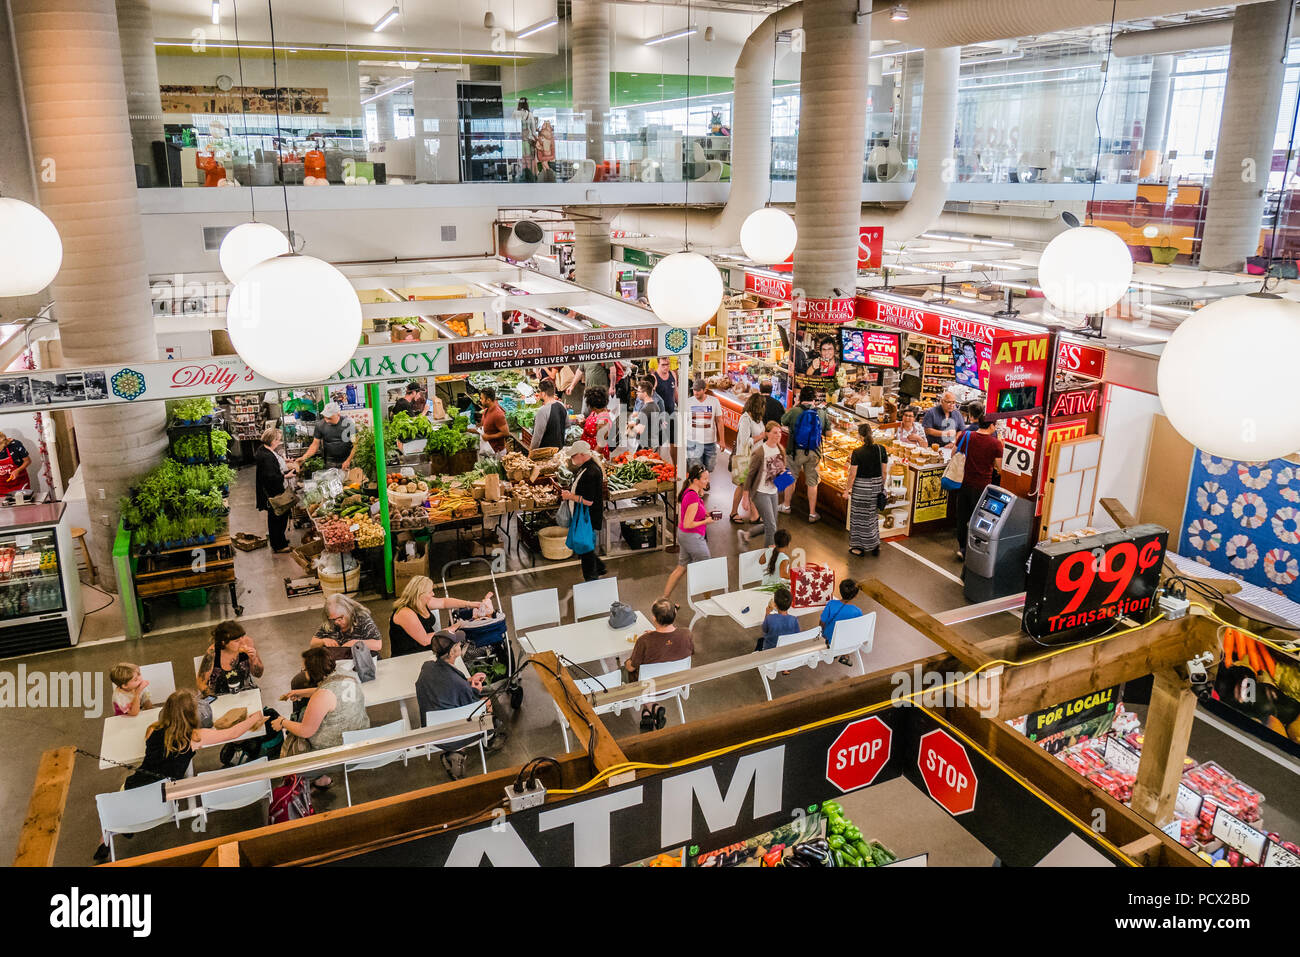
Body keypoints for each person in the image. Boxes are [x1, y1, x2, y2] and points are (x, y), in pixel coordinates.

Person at [94, 690, 267, 860]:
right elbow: (232, 733)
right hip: (166, 795)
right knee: (156, 789)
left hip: (136, 785)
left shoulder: (152, 730)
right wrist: (253, 718)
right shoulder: (194, 737)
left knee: (124, 794)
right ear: (192, 714)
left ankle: (105, 840)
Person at [272, 647, 369, 789]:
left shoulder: (323, 694)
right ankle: (321, 779)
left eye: (304, 670)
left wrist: (283, 722)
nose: (303, 672)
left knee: (290, 763)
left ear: (313, 671)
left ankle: (312, 778)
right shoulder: (348, 676)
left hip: (337, 753)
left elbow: (306, 731)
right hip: (359, 741)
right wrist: (303, 693)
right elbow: (333, 692)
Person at [415, 629, 491, 779]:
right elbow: (471, 706)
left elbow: (446, 684)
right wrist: (475, 690)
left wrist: (468, 681)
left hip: (431, 728)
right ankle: (485, 739)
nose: (461, 645)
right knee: (486, 702)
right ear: (452, 652)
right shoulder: (459, 685)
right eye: (458, 644)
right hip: (453, 733)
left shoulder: (427, 667)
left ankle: (455, 753)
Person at [626, 598, 695, 731]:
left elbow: (631, 667)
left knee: (628, 672)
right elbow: (685, 650)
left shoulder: (644, 641)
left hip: (648, 688)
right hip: (675, 683)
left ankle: (651, 708)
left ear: (654, 618)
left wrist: (626, 661)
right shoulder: (687, 634)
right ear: (675, 614)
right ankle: (650, 711)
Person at [390, 575, 495, 657]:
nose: (433, 594)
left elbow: (444, 602)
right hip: (412, 654)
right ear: (420, 594)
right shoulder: (405, 613)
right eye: (430, 591)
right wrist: (454, 627)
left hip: (430, 645)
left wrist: (472, 604)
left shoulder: (421, 602)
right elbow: (424, 640)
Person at [956, 404, 1005, 561]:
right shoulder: (995, 444)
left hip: (964, 483)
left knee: (962, 516)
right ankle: (974, 550)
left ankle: (962, 548)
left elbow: (954, 454)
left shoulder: (966, 435)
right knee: (979, 519)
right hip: (983, 487)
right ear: (992, 425)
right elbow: (1000, 468)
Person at [662, 464, 715, 599]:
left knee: (681, 567)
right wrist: (706, 522)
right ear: (696, 480)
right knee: (707, 569)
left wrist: (706, 514)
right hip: (693, 537)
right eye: (704, 479)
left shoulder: (690, 492)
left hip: (685, 536)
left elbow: (690, 515)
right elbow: (688, 523)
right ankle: (708, 601)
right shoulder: (692, 497)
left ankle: (664, 598)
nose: (707, 481)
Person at [780, 386, 829, 522]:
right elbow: (829, 433)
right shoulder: (821, 412)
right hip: (814, 452)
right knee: (812, 482)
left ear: (800, 398)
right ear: (814, 399)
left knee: (790, 478)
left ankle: (786, 506)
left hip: (794, 451)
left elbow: (782, 421)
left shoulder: (795, 411)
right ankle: (812, 513)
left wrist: (794, 406)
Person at [561, 440, 607, 581]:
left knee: (585, 548)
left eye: (573, 456)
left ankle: (591, 579)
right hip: (584, 516)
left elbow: (589, 501)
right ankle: (599, 567)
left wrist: (570, 496)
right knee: (586, 545)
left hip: (587, 517)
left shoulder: (591, 472)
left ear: (582, 454)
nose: (572, 458)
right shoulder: (585, 467)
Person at [740, 420, 786, 548]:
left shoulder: (780, 450)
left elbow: (781, 469)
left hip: (773, 492)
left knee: (771, 524)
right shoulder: (760, 452)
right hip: (760, 492)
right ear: (767, 434)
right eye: (775, 433)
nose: (778, 435)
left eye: (780, 433)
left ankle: (746, 535)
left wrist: (783, 474)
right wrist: (745, 497)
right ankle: (768, 557)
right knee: (771, 526)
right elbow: (750, 475)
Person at [846, 422, 888, 557]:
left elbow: (852, 475)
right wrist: (881, 487)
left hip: (861, 488)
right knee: (872, 516)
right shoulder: (881, 449)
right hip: (876, 487)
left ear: (860, 436)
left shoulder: (857, 452)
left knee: (858, 517)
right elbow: (884, 473)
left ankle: (859, 546)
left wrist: (847, 490)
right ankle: (875, 544)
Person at [311, 593, 382, 664]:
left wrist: (356, 643)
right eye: (333, 619)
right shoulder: (330, 623)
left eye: (340, 618)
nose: (337, 622)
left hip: (365, 663)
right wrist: (323, 641)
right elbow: (313, 644)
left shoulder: (361, 618)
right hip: (342, 663)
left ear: (348, 611)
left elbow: (377, 645)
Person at [254, 427, 293, 553]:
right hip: (273, 493)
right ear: (272, 440)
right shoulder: (266, 457)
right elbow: (271, 476)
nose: (279, 442)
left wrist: (283, 461)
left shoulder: (264, 450)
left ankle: (279, 540)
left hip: (271, 491)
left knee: (277, 517)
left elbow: (274, 461)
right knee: (278, 517)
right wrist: (286, 476)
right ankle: (279, 546)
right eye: (278, 440)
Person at [729, 393, 766, 524]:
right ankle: (737, 513)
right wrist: (761, 437)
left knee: (749, 486)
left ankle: (753, 515)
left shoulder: (757, 419)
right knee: (744, 486)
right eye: (762, 405)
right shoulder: (745, 419)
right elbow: (745, 442)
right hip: (746, 459)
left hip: (756, 457)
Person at [209, 620, 264, 694]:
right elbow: (201, 683)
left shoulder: (247, 643)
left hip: (244, 690)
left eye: (242, 637)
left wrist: (253, 659)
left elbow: (258, 674)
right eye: (237, 640)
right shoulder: (213, 652)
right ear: (224, 642)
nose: (242, 642)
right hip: (220, 694)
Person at [296, 402, 354, 471]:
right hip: (330, 462)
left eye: (329, 418)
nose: (326, 420)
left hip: (347, 460)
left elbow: (356, 444)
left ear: (338, 414)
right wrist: (304, 457)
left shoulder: (349, 424)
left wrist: (348, 460)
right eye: (325, 417)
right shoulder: (320, 425)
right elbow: (315, 444)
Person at [820, 579, 865, 664]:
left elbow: (822, 622)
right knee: (848, 632)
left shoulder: (831, 604)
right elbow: (857, 628)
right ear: (855, 595)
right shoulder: (857, 611)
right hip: (846, 641)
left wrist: (822, 632)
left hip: (830, 639)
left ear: (840, 590)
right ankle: (845, 655)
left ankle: (834, 651)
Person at [685, 378, 724, 473]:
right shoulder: (688, 402)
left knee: (710, 467)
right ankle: (698, 485)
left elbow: (719, 420)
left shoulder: (714, 401)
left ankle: (704, 480)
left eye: (698, 390)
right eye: (694, 390)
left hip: (709, 442)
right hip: (693, 442)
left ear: (704, 390)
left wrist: (722, 440)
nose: (696, 392)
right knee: (695, 469)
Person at [756, 585, 800, 652]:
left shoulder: (770, 618)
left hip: (770, 651)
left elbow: (764, 629)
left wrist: (767, 613)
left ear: (775, 605)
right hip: (787, 650)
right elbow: (797, 634)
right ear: (791, 604)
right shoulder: (794, 620)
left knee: (760, 641)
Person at [628, 375, 666, 453]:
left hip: (645, 446)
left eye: (638, 391)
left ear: (645, 393)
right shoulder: (654, 406)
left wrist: (629, 427)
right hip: (653, 444)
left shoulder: (645, 409)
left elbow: (640, 430)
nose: (636, 393)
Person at [530, 379, 568, 451]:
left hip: (545, 451)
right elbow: (567, 424)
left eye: (539, 391)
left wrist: (531, 452)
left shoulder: (542, 411)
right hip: (559, 448)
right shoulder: (562, 405)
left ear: (543, 394)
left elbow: (537, 437)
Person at [580, 386, 614, 458]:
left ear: (593, 406)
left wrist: (591, 458)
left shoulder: (603, 419)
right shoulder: (595, 412)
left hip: (595, 453)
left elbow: (601, 443)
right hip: (587, 449)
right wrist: (584, 423)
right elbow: (593, 427)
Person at [477, 387, 511, 454]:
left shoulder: (498, 414)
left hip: (497, 452)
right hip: (489, 450)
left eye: (482, 398)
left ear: (488, 400)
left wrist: (489, 437)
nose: (480, 400)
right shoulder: (486, 410)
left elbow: (506, 433)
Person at [0, 430, 32, 497]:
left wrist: (18, 470)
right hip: (1, 486)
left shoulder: (15, 445)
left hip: (20, 483)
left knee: (21, 505)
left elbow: (28, 461)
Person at [514, 97, 539, 176]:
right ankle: (530, 175)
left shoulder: (515, 113)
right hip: (528, 141)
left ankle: (521, 175)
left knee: (521, 159)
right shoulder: (529, 114)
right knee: (529, 159)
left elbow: (513, 128)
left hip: (519, 142)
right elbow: (533, 131)